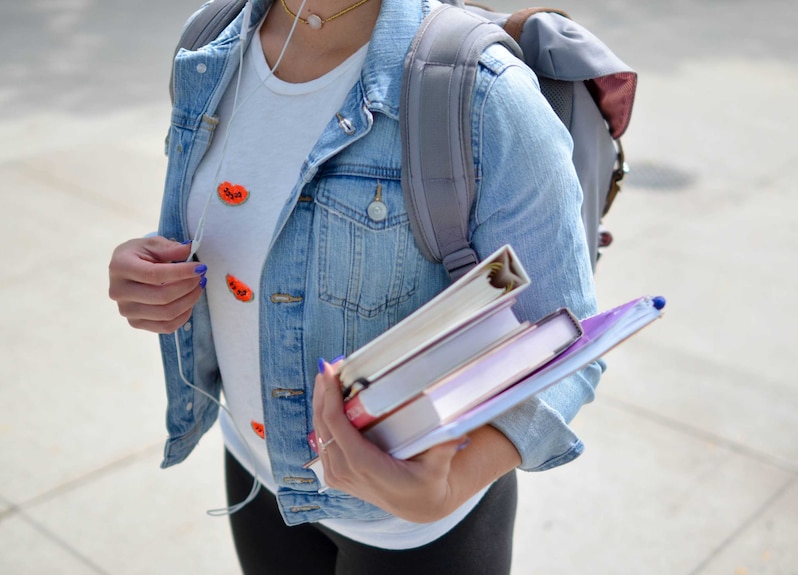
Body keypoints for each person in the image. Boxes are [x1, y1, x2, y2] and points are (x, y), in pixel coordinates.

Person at [108, 0, 603, 573]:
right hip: (255, 467)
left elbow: (566, 337)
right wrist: (151, 269)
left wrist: (445, 489)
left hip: (417, 532)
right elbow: (246, 221)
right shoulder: (210, 42)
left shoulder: (482, 93)